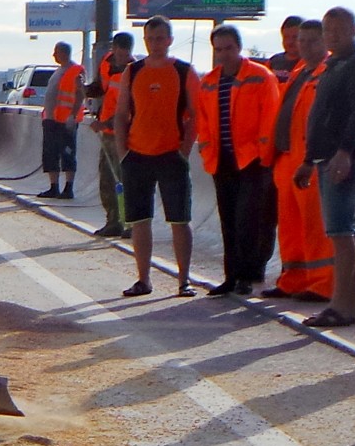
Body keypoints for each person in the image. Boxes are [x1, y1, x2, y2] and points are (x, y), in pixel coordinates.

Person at [296, 6, 355, 329]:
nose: (331, 34)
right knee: (341, 233)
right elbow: (320, 117)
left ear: (354, 30)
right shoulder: (333, 66)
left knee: (341, 233)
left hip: (344, 158)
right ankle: (346, 305)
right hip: (324, 158)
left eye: (338, 29)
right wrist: (308, 160)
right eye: (327, 29)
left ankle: (342, 306)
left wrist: (345, 152)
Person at [115, 16, 204, 298]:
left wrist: (184, 149)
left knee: (179, 220)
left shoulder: (184, 71)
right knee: (139, 220)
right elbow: (121, 114)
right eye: (151, 39)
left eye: (161, 38)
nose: (156, 44)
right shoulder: (133, 71)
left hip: (171, 156)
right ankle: (143, 279)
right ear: (145, 41)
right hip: (137, 155)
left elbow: (194, 116)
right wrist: (122, 152)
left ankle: (183, 280)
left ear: (170, 40)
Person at [197, 25, 283, 296]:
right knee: (229, 220)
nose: (223, 54)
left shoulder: (260, 77)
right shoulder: (210, 81)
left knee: (250, 220)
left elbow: (270, 118)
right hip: (221, 161)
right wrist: (206, 150)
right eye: (219, 49)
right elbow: (203, 121)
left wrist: (264, 156)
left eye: (228, 48)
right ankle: (231, 277)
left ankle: (248, 275)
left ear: (239, 48)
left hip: (253, 161)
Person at [265, 18, 333, 303]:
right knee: (290, 225)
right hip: (286, 158)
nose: (302, 45)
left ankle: (322, 284)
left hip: (310, 161)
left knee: (314, 226)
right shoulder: (299, 72)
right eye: (299, 40)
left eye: (309, 40)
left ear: (324, 42)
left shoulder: (328, 72)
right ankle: (292, 279)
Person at [87, 32, 135, 237]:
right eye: (120, 53)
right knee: (107, 178)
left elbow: (130, 109)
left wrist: (105, 122)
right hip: (107, 132)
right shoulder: (106, 62)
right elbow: (100, 88)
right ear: (113, 49)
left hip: (125, 134)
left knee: (124, 179)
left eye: (127, 54)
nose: (124, 58)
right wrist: (83, 89)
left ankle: (130, 223)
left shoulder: (134, 71)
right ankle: (113, 221)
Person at [36, 41, 86, 200]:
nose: (53, 55)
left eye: (56, 52)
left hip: (66, 122)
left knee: (67, 154)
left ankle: (68, 188)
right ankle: (54, 187)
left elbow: (80, 94)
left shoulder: (76, 71)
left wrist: (72, 115)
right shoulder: (59, 71)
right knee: (50, 154)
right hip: (51, 120)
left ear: (64, 53)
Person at [266, 14, 303, 81]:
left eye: (295, 37)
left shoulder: (311, 64)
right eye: (286, 37)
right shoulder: (273, 61)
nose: (290, 42)